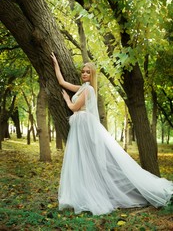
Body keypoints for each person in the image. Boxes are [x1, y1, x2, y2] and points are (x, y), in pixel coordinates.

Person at [51, 52, 173, 216]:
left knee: (93, 160)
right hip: (80, 128)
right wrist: (55, 63)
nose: (85, 74)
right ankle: (85, 190)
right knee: (83, 160)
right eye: (83, 71)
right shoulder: (82, 88)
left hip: (85, 128)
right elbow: (62, 82)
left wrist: (67, 99)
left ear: (92, 74)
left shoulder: (88, 90)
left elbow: (73, 108)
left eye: (88, 72)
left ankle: (139, 189)